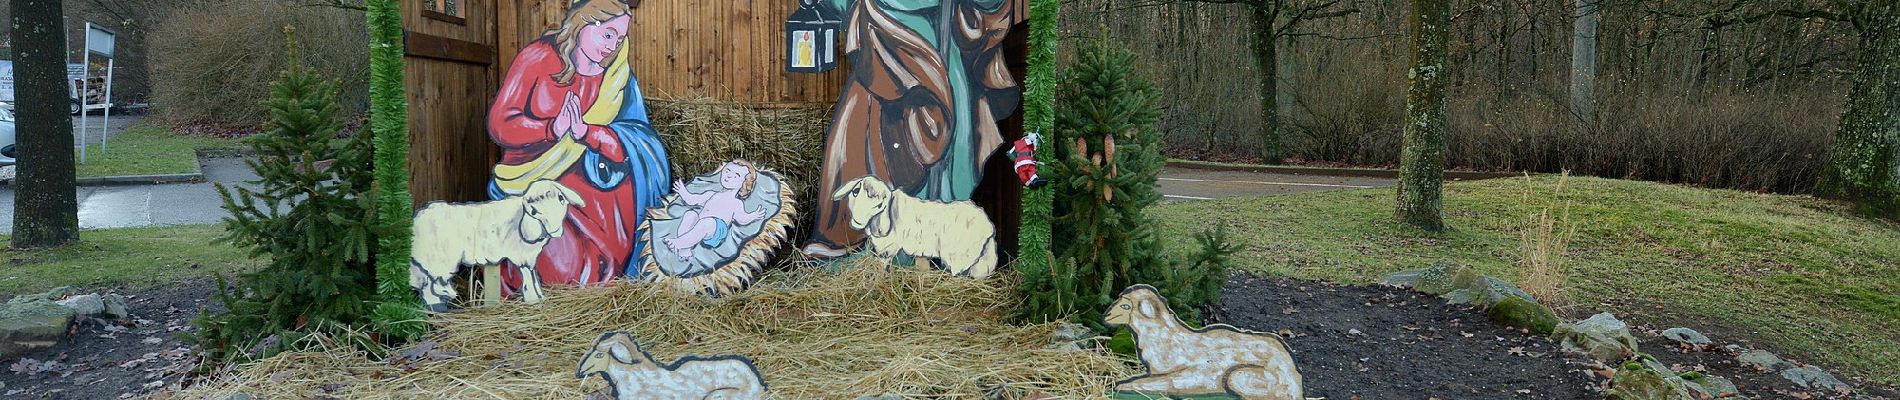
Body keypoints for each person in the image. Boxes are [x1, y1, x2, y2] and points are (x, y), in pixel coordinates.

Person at [802, 0, 1023, 257]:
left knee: (949, 150)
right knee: (859, 145)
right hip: (883, 52)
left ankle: (936, 247)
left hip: (941, 56)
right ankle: (869, 245)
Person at [486, 0, 671, 292]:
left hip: (596, 189)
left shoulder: (617, 79)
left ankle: (607, 279)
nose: (612, 46)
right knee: (558, 262)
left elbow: (636, 143)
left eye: (620, 39)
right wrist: (552, 129)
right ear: (583, 23)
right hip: (536, 180)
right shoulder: (539, 57)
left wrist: (588, 133)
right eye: (607, 34)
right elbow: (500, 124)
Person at [664, 161, 770, 260]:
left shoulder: (736, 202)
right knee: (690, 214)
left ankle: (679, 243)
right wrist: (683, 192)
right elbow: (693, 200)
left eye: (736, 175)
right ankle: (684, 249)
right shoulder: (712, 194)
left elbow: (742, 219)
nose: (728, 175)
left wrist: (754, 216)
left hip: (717, 230)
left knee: (708, 222)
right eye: (727, 171)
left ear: (744, 184)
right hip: (700, 226)